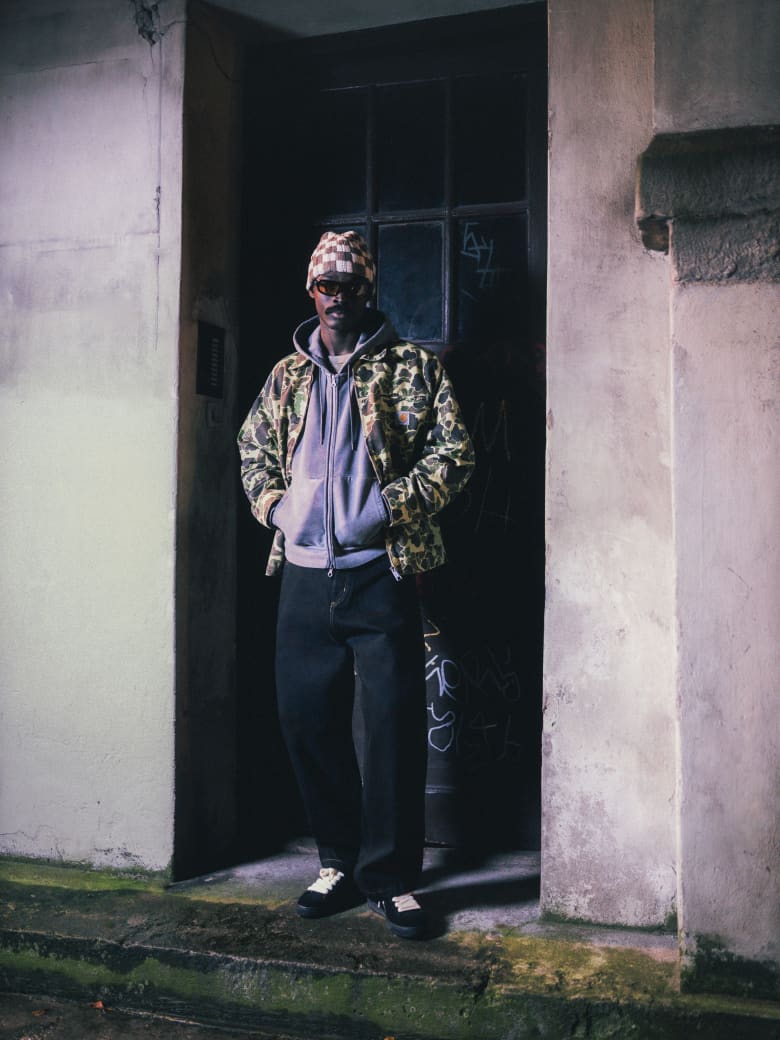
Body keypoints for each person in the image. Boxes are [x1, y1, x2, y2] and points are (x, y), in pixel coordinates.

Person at [237, 230, 474, 939]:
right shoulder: (286, 376)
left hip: (382, 572)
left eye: (349, 285)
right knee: (307, 720)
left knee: (394, 728)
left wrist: (387, 508)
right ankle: (337, 861)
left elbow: (455, 450)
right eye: (325, 285)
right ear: (311, 291)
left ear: (368, 291)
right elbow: (252, 451)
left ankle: (391, 877)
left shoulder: (410, 368)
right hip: (304, 579)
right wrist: (277, 508)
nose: (336, 297)